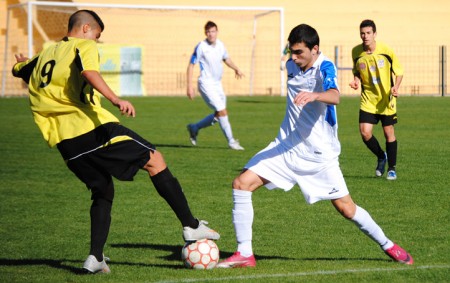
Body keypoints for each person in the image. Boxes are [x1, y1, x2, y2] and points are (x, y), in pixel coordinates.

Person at [11, 10, 219, 274]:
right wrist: (116, 98)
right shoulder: (83, 45)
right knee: (154, 159)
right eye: (97, 36)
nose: (96, 42)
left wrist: (21, 64)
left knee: (103, 190)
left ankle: (96, 258)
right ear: (86, 29)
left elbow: (21, 70)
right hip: (90, 129)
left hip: (65, 144)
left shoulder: (46, 54)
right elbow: (88, 72)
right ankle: (191, 224)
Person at [216, 24, 413, 268]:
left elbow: (335, 96)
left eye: (299, 52)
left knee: (346, 209)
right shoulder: (291, 64)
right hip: (286, 147)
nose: (294, 57)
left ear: (315, 49)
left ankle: (387, 244)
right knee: (241, 184)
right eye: (291, 52)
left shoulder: (325, 67)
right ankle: (245, 253)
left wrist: (315, 95)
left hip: (318, 155)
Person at [349, 19, 404, 180]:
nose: (365, 36)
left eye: (368, 33)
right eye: (362, 33)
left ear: (374, 34)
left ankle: (392, 168)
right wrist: (356, 80)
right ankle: (381, 156)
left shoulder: (386, 50)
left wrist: (396, 87)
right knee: (365, 133)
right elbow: (357, 70)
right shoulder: (356, 52)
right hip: (368, 100)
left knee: (388, 133)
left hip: (386, 99)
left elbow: (399, 71)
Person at [186, 21, 245, 150]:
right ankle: (231, 142)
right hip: (205, 83)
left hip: (217, 84)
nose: (210, 34)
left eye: (213, 31)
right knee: (222, 111)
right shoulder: (201, 46)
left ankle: (194, 127)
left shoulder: (220, 45)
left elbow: (226, 59)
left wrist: (236, 68)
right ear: (205, 33)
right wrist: (189, 86)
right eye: (208, 32)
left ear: (217, 32)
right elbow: (191, 65)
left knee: (219, 115)